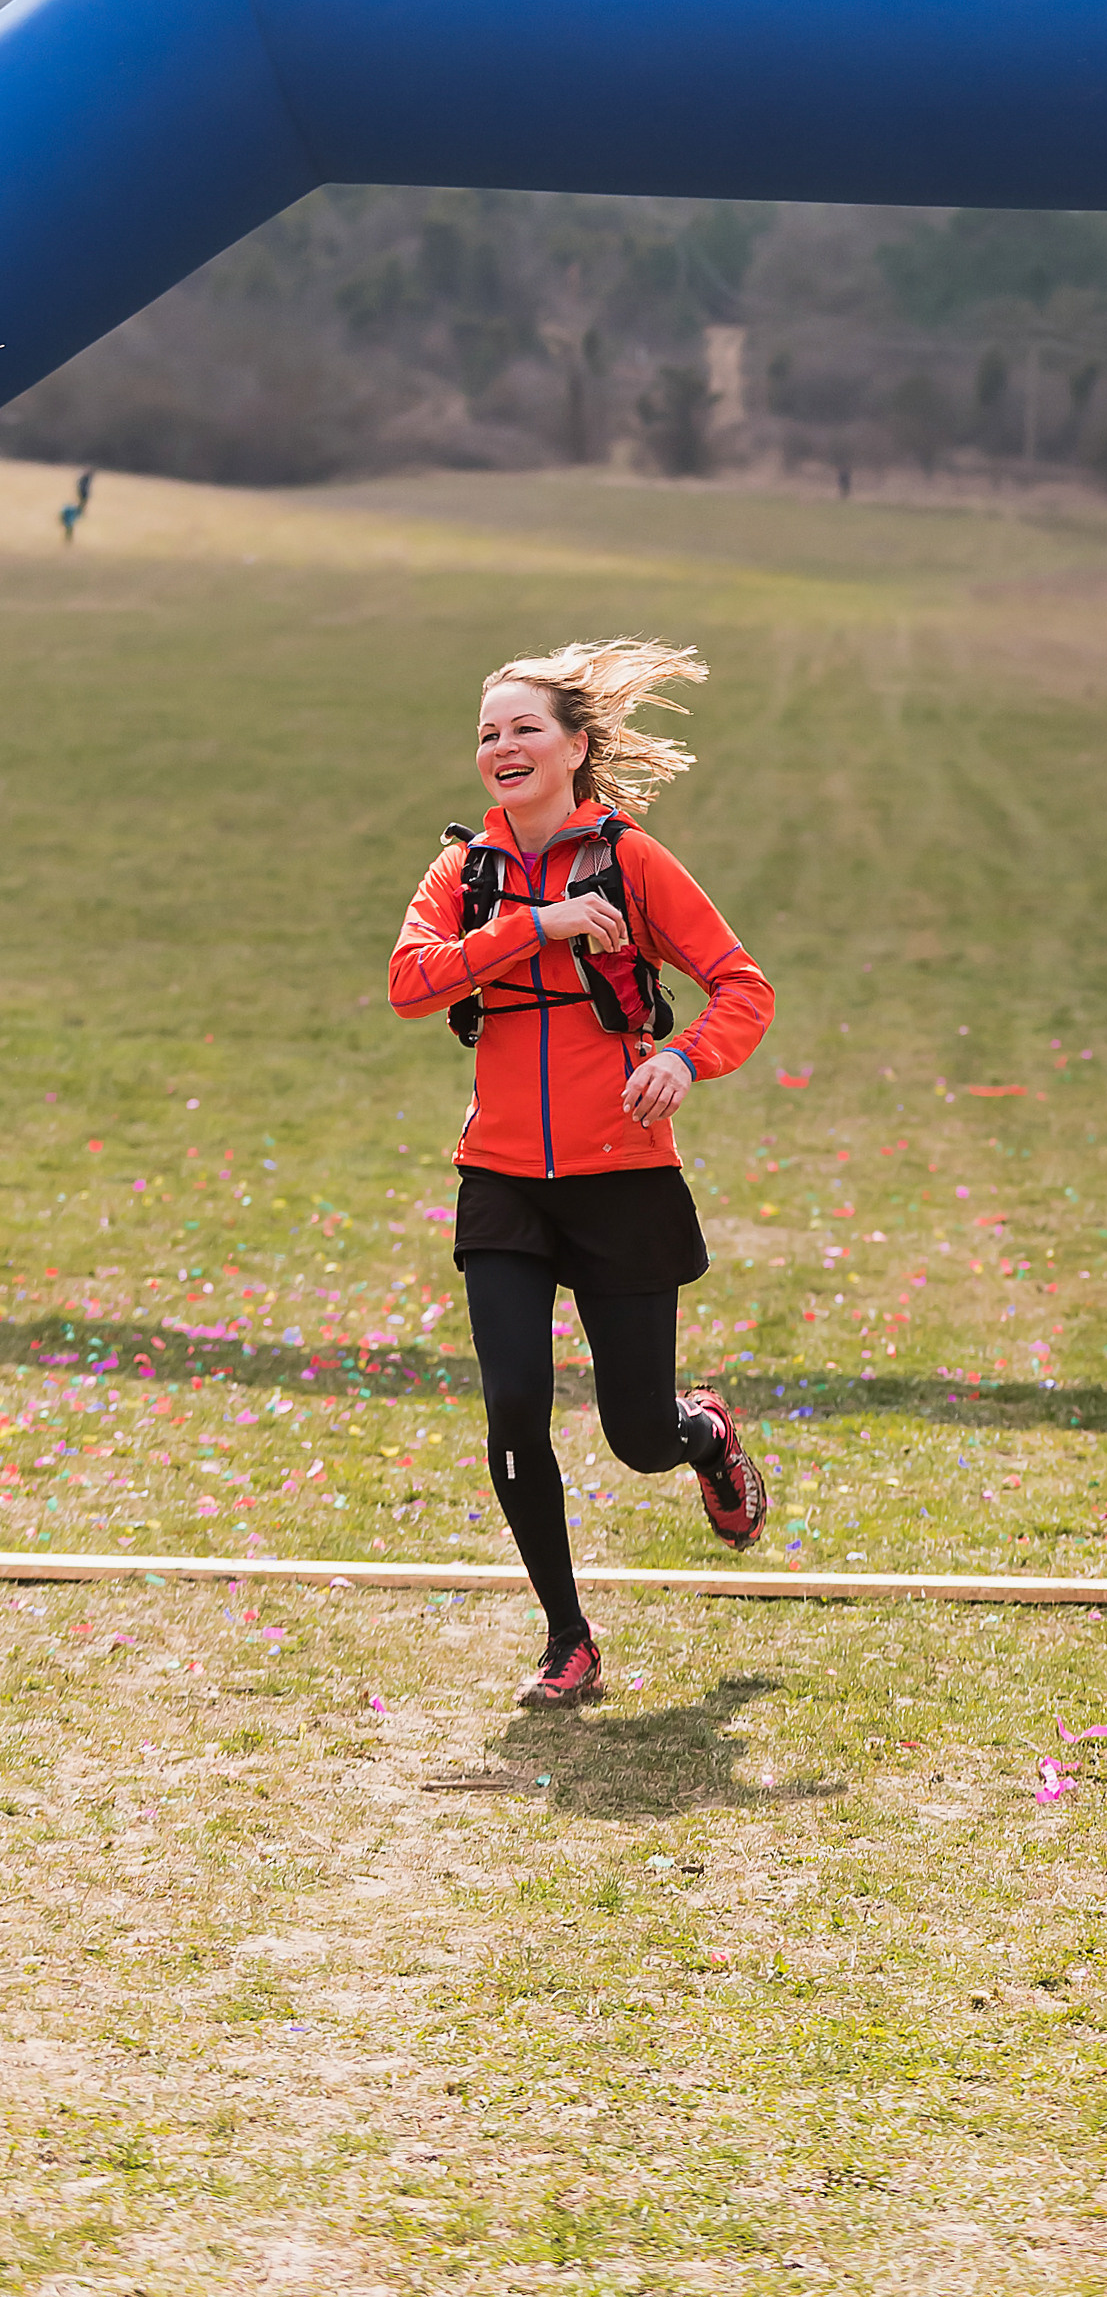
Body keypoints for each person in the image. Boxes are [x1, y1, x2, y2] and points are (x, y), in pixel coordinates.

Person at [389, 638, 775, 1706]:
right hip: (501, 1176)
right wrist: (534, 926)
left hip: (621, 1176)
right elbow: (410, 983)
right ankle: (569, 1639)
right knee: (514, 1405)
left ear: (575, 747)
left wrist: (682, 1058)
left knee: (639, 1437)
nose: (502, 746)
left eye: (525, 728)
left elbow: (742, 986)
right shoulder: (464, 873)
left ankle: (703, 1434)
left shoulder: (633, 861)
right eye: (487, 733)